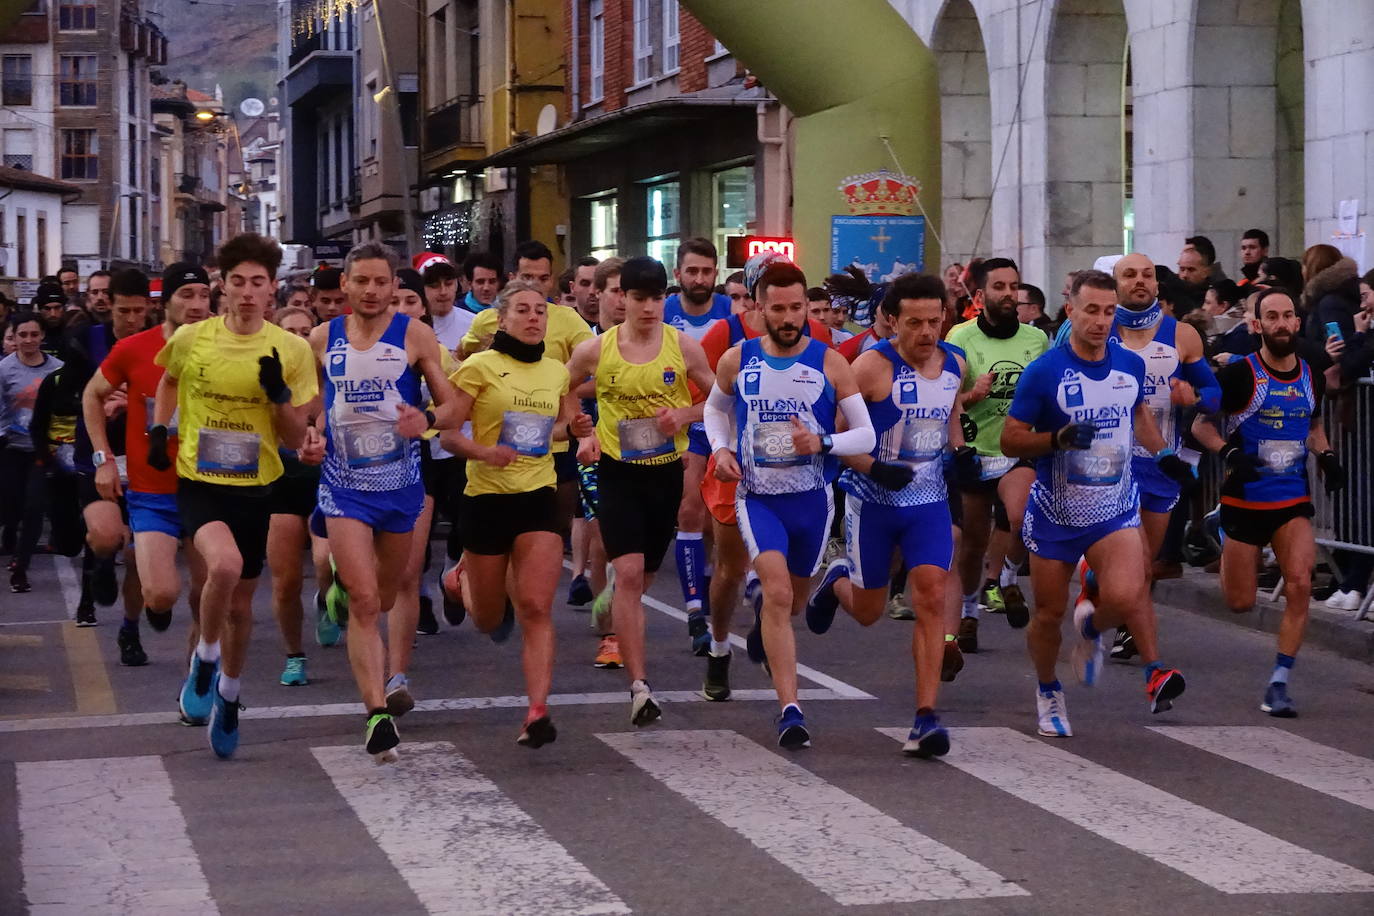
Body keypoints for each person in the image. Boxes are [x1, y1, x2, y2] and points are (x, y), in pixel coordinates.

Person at [1002, 270, 1191, 737]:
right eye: (1091, 310)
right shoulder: (1044, 372)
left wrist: (1164, 455)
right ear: (1070, 310)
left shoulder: (1130, 365)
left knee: (1128, 595)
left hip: (1115, 507)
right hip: (1057, 512)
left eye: (1109, 312)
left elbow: (1140, 415)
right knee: (1047, 615)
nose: (1101, 321)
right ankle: (1047, 689)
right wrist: (1055, 439)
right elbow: (1010, 440)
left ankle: (1089, 632)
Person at [153, 234, 319, 758]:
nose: (248, 293)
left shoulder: (290, 349)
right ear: (222, 286)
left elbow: (296, 438)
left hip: (257, 485)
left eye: (259, 284)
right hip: (200, 481)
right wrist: (160, 430)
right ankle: (204, 660)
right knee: (222, 567)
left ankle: (229, 692)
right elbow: (168, 383)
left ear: (273, 290)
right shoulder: (192, 338)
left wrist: (279, 398)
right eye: (238, 283)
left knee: (242, 608)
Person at [703, 259, 872, 748]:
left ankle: (783, 610)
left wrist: (821, 443)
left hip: (812, 502)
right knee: (776, 594)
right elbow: (716, 408)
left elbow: (864, 433)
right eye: (778, 308)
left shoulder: (830, 361)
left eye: (797, 307)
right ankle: (791, 709)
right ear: (758, 309)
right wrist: (721, 450)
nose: (789, 316)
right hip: (759, 499)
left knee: (792, 601)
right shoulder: (738, 358)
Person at [805, 272, 970, 757]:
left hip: (928, 503)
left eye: (934, 322)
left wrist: (960, 450)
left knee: (932, 597)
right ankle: (836, 578)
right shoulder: (871, 368)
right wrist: (875, 467)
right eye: (914, 323)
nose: (926, 333)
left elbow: (951, 415)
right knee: (870, 611)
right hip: (872, 502)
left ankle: (925, 717)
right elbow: (833, 440)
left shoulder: (955, 362)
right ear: (891, 321)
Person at [309, 242, 457, 762]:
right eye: (361, 282)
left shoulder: (414, 335)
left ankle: (342, 600)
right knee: (368, 600)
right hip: (344, 487)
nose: (371, 291)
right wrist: (307, 435)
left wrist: (429, 420)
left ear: (394, 287)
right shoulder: (321, 338)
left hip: (401, 486)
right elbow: (311, 409)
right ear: (344, 286)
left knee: (391, 597)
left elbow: (454, 402)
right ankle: (375, 713)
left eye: (380, 282)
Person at [565, 256, 715, 726]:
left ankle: (617, 601)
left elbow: (718, 397)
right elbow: (562, 385)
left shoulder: (683, 347)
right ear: (621, 299)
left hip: (665, 474)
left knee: (643, 577)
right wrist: (581, 430)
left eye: (655, 298)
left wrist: (684, 416)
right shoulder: (599, 349)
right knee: (629, 575)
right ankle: (640, 687)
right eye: (638, 298)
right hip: (617, 475)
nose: (648, 307)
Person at [1191, 288, 1344, 717]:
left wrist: (1327, 457)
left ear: (1297, 322)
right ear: (1256, 325)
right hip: (1244, 500)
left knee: (1299, 585)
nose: (1281, 323)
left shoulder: (1310, 375)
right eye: (1271, 317)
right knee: (1239, 602)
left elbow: (1313, 425)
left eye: (1288, 316)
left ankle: (1279, 681)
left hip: (1292, 500)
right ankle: (1219, 523)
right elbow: (1202, 425)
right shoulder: (1240, 375)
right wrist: (1228, 453)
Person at [440, 280, 579, 746]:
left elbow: (560, 428)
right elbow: (449, 436)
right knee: (487, 618)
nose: (534, 318)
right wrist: (484, 452)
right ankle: (456, 583)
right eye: (523, 310)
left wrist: (575, 429)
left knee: (537, 607)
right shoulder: (479, 367)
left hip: (538, 495)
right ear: (502, 319)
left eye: (541, 310)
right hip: (486, 499)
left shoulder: (557, 371)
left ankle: (537, 711)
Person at [1103, 254, 1219, 661]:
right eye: (1129, 275)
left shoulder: (1182, 335)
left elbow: (1215, 395)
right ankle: (1121, 620)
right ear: (1114, 283)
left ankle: (1123, 625)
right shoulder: (1098, 330)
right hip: (1107, 465)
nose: (1139, 282)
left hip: (1160, 463)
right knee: (1121, 557)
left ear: (1157, 284)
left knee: (1145, 561)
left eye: (1147, 275)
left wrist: (1196, 396)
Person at [945, 257, 1047, 648]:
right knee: (972, 543)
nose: (1008, 294)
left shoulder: (1035, 340)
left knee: (1022, 516)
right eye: (999, 286)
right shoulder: (960, 338)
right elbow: (947, 403)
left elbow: (1048, 392)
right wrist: (974, 394)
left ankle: (1005, 578)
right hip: (973, 450)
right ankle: (970, 612)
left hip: (1015, 447)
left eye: (1013, 286)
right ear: (980, 294)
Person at [662, 238, 733, 652]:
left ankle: (711, 585)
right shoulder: (666, 314)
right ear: (678, 274)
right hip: (681, 426)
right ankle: (694, 610)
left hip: (719, 420)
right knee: (690, 512)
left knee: (713, 521)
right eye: (692, 271)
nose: (700, 279)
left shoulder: (729, 315)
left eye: (707, 271)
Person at [264, 305, 332, 685]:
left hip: (328, 482)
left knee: (325, 561)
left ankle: (325, 600)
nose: (301, 338)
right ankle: (294, 655)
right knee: (286, 580)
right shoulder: (271, 384)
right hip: (282, 484)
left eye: (307, 330)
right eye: (291, 331)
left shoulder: (332, 382)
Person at [1, 314, 64, 593]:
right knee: (12, 506)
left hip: (43, 450)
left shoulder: (58, 369)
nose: (28, 340)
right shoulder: (4, 369)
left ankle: (21, 566)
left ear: (42, 337)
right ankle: (10, 536)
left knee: (35, 507)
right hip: (11, 448)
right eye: (22, 335)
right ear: (13, 337)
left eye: (33, 335)